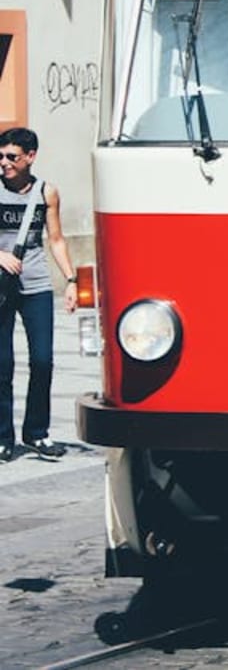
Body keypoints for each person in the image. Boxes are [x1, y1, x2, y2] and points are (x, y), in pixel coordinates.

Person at [0, 128, 79, 462]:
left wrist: (71, 280)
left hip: (36, 286)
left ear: (31, 157)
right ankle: (3, 438)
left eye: (12, 157)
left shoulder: (47, 192)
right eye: (1, 156)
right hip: (2, 288)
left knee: (43, 360)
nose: (4, 163)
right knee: (2, 365)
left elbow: (56, 239)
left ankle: (36, 433)